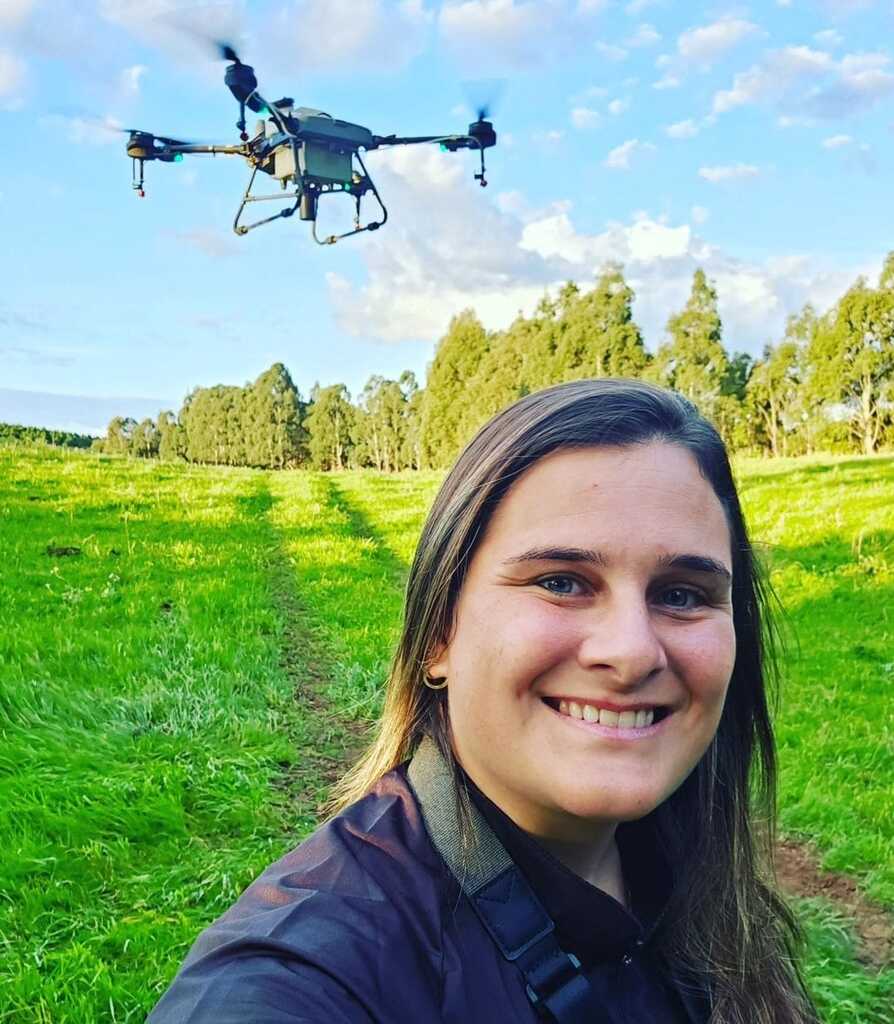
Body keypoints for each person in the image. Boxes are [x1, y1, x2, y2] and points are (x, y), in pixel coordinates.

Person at [149, 379, 819, 1024]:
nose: (633, 651)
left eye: (681, 594)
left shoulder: (698, 878)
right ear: (439, 632)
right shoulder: (303, 973)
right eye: (562, 581)